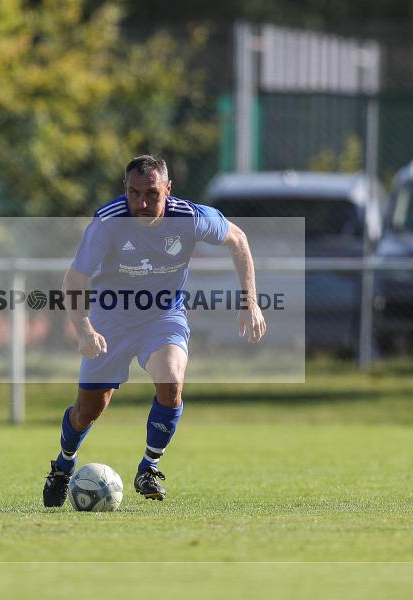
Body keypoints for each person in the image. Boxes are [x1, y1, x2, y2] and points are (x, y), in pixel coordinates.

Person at [43, 155, 266, 506]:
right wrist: (84, 329)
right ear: (125, 190)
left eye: (151, 194)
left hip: (163, 316)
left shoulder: (191, 218)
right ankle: (62, 464)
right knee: (89, 410)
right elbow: (75, 278)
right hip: (110, 318)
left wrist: (249, 302)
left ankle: (149, 467)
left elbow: (238, 240)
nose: (142, 204)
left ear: (168, 189)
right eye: (134, 193)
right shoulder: (108, 222)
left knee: (172, 380)